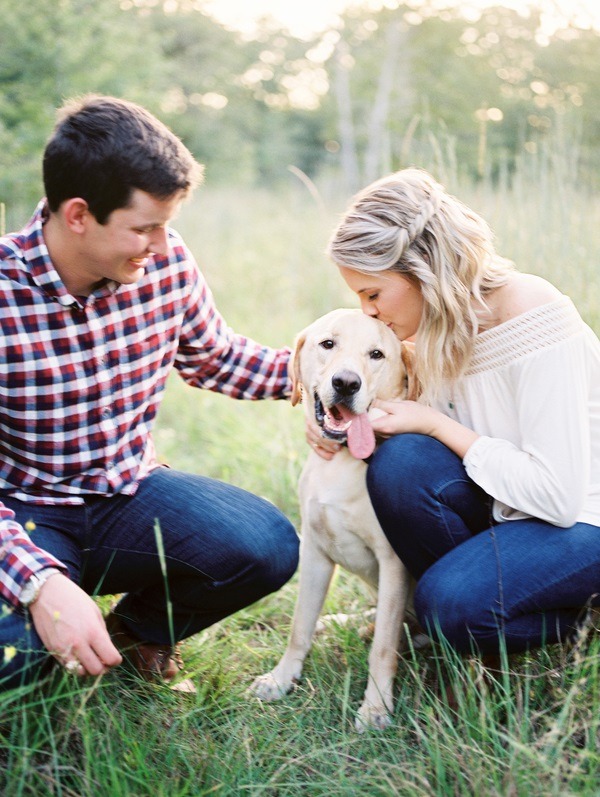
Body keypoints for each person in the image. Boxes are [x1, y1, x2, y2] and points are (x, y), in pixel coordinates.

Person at [0, 95, 299, 692]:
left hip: (125, 494)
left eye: (166, 226)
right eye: (144, 228)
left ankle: (134, 638)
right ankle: (51, 622)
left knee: (263, 544)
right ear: (79, 214)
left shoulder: (163, 263)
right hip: (24, 513)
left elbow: (215, 356)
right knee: (18, 669)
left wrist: (323, 375)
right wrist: (38, 581)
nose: (161, 246)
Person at [310, 167, 600, 659]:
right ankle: (449, 610)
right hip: (510, 510)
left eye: (373, 293)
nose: (369, 311)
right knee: (401, 462)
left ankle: (582, 617)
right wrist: (330, 417)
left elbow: (555, 497)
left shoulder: (530, 311)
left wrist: (436, 424)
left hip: (582, 520)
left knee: (450, 608)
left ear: (422, 268)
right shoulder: (434, 332)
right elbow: (375, 402)